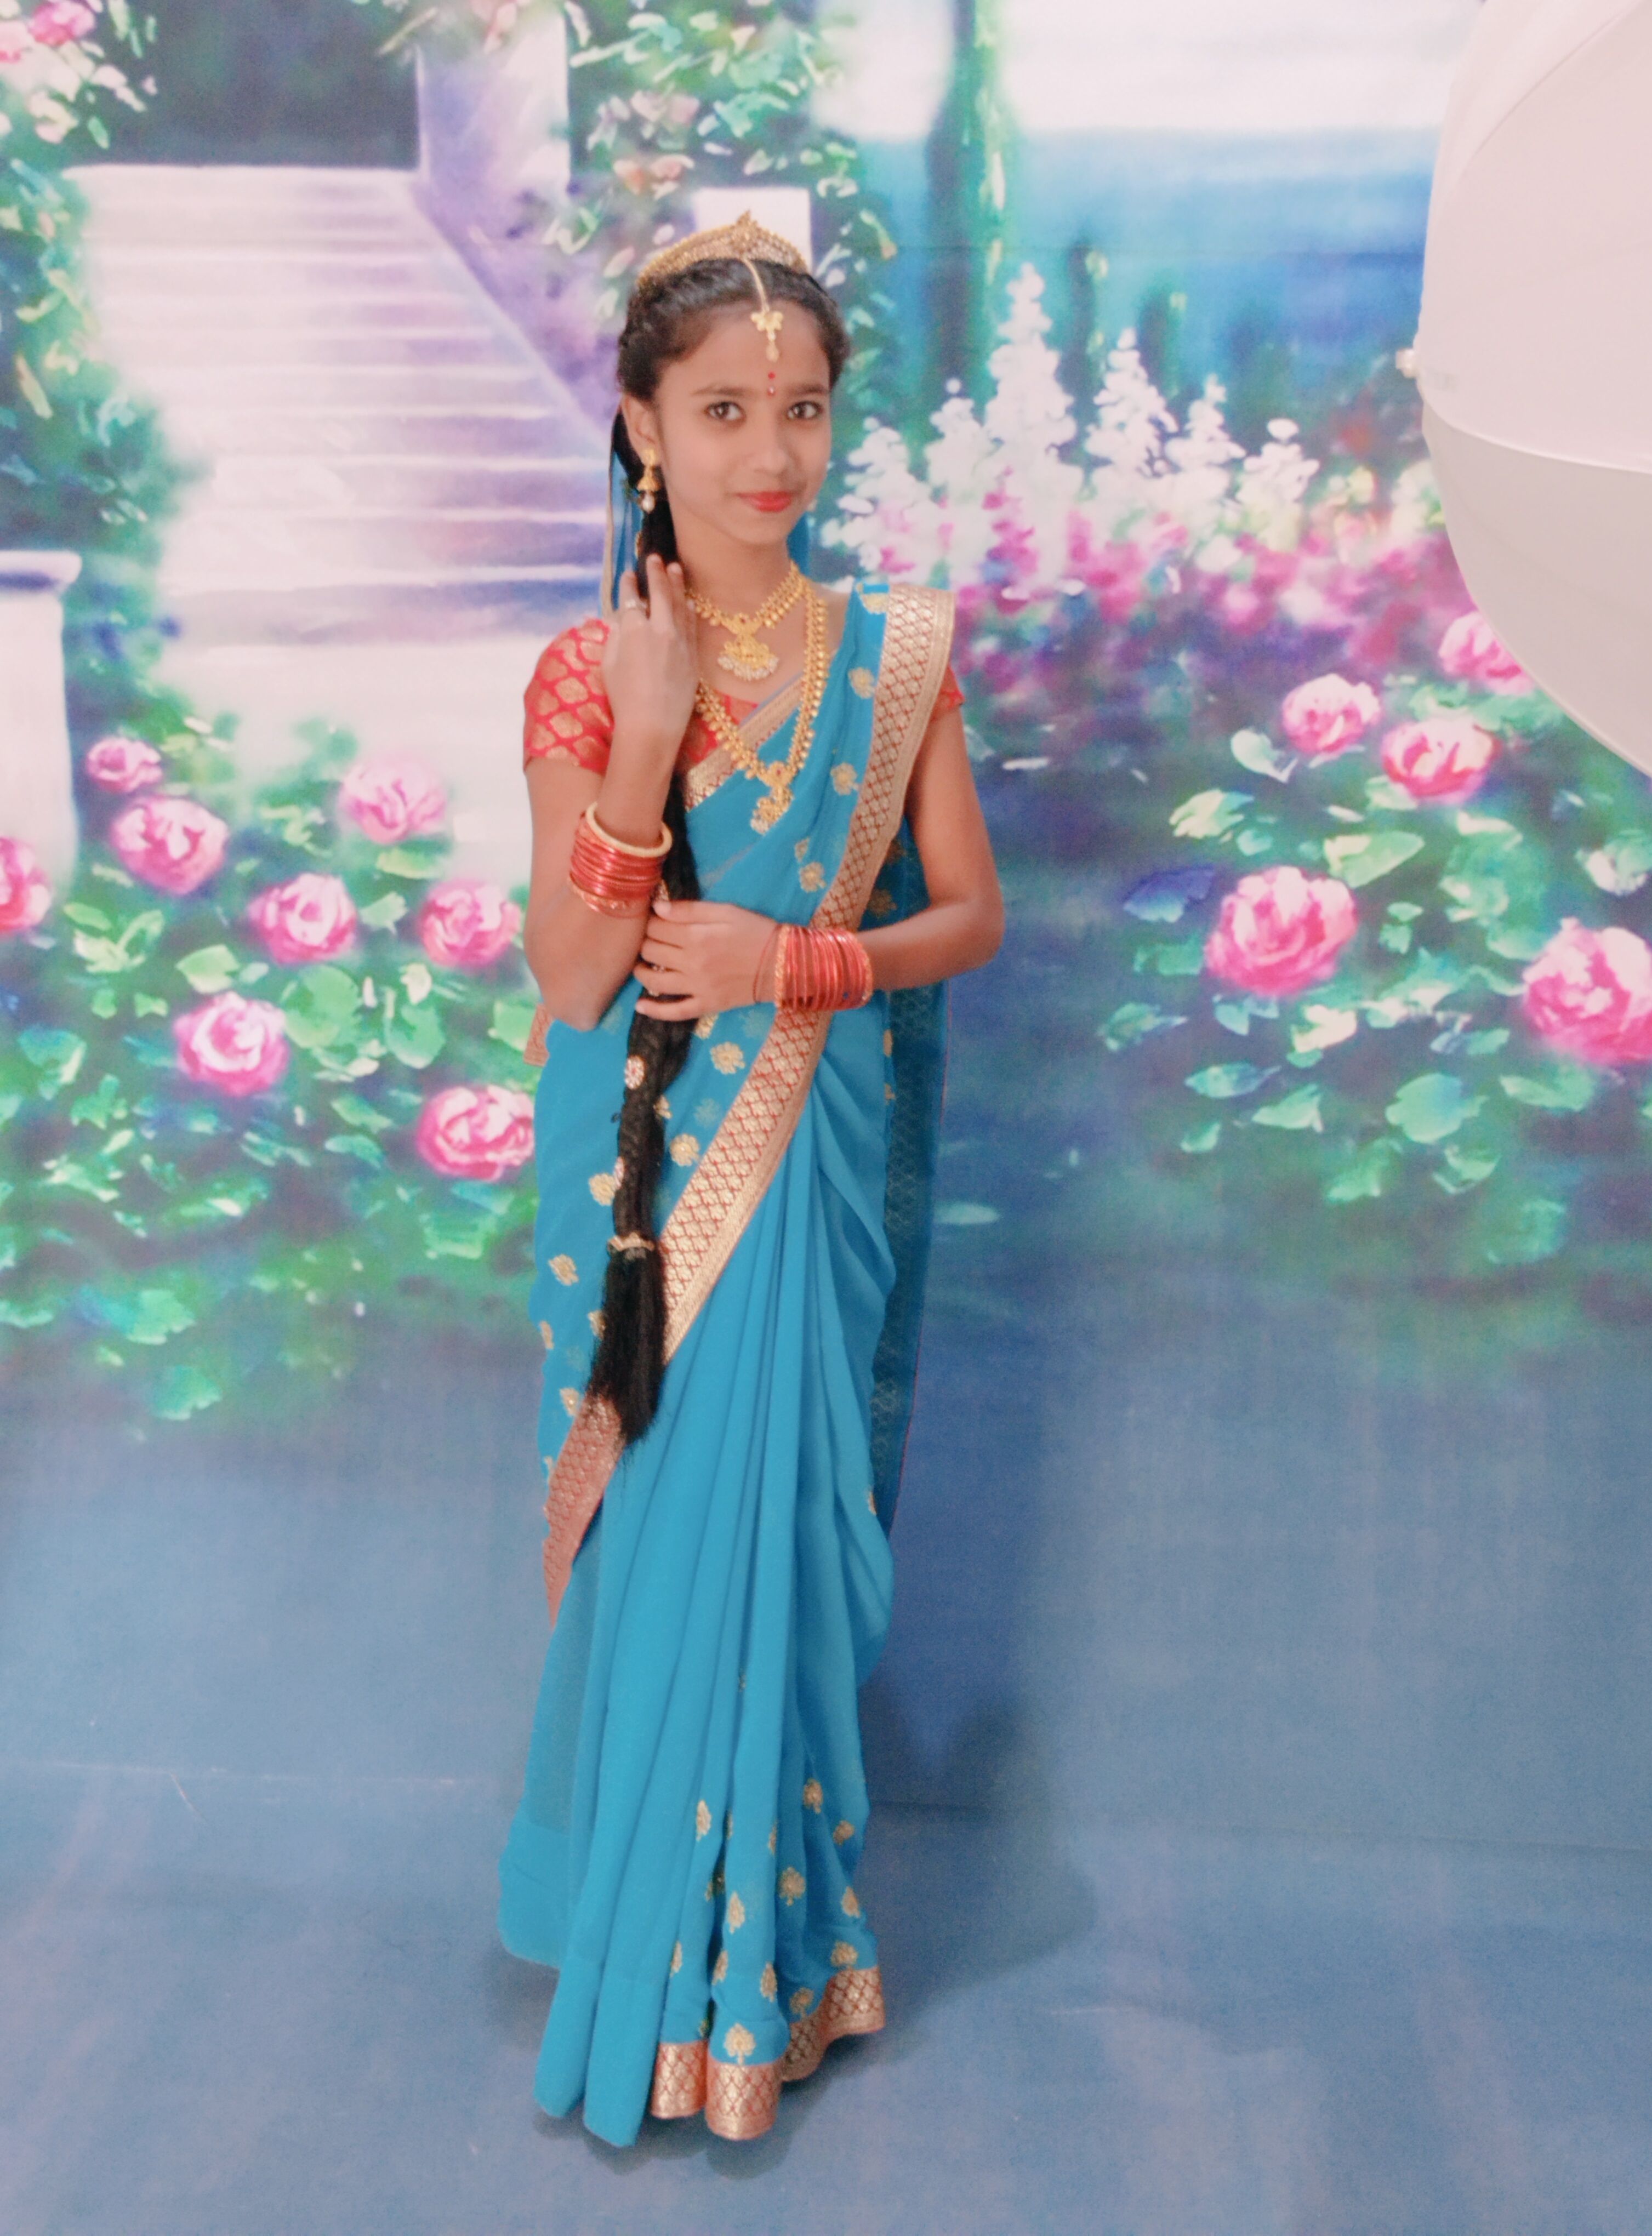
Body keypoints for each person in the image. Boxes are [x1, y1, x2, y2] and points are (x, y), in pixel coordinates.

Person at [497, 210, 1004, 2147]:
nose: (771, 452)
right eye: (722, 410)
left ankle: (772, 1970)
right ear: (642, 425)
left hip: (812, 1154)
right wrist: (643, 743)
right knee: (663, 1546)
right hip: (644, 1200)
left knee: (784, 1544)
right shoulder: (583, 672)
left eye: (802, 409)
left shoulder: (897, 659)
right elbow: (569, 980)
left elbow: (966, 917)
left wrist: (800, 962)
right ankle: (651, 1973)